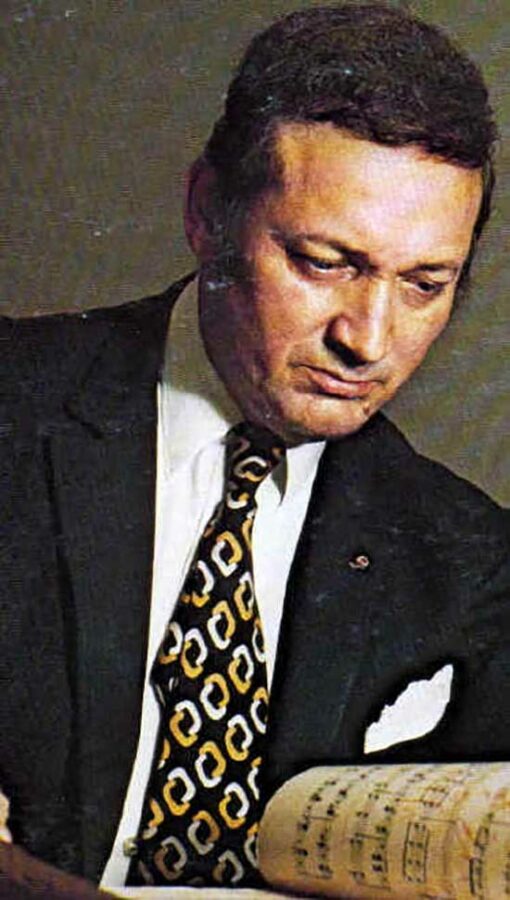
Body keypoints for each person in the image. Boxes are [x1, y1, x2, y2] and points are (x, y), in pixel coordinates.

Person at [0, 1, 508, 890]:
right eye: (325, 262)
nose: (368, 338)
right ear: (207, 213)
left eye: (425, 284)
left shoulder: (471, 558)